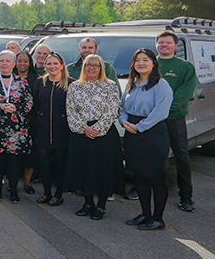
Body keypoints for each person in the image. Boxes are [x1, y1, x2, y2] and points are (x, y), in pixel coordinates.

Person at [64, 54, 123, 220]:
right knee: (84, 169)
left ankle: (101, 205)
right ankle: (88, 202)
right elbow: (70, 110)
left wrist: (96, 129)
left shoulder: (110, 86)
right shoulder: (75, 86)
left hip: (103, 134)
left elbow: (112, 110)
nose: (92, 68)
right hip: (81, 134)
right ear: (84, 67)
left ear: (101, 68)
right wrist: (84, 128)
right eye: (88, 65)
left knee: (102, 170)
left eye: (96, 65)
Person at [121, 48, 174, 230]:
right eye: (138, 60)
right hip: (132, 134)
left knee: (156, 178)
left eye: (145, 60)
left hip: (152, 134)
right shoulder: (132, 84)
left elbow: (160, 112)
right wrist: (123, 121)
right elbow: (123, 107)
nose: (141, 63)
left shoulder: (162, 85)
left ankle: (158, 219)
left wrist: (140, 126)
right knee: (139, 177)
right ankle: (145, 214)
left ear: (153, 63)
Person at [0, 50, 33, 203]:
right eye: (1, 61)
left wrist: (16, 108)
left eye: (8, 61)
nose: (4, 63)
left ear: (13, 64)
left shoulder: (22, 82)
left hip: (16, 129)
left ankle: (13, 191)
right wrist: (0, 106)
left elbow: (29, 102)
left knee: (14, 161)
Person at [156, 30, 197, 212]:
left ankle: (186, 196)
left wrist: (163, 110)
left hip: (174, 118)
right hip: (153, 121)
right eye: (161, 43)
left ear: (175, 45)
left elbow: (184, 94)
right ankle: (147, 189)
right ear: (156, 44)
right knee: (153, 156)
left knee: (181, 156)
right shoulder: (149, 63)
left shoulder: (185, 67)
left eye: (168, 43)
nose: (164, 45)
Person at [32, 52, 73, 206]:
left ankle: (59, 193)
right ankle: (47, 192)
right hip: (42, 129)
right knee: (44, 162)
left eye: (55, 63)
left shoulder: (71, 83)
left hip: (62, 131)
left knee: (60, 163)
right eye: (49, 64)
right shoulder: (39, 82)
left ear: (61, 65)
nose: (52, 67)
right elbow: (35, 105)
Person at [14, 51, 39, 195]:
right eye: (19, 61)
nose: (22, 64)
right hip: (13, 123)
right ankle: (13, 181)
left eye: (26, 61)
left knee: (31, 153)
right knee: (15, 154)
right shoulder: (9, 78)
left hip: (31, 122)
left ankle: (27, 182)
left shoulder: (36, 79)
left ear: (30, 63)